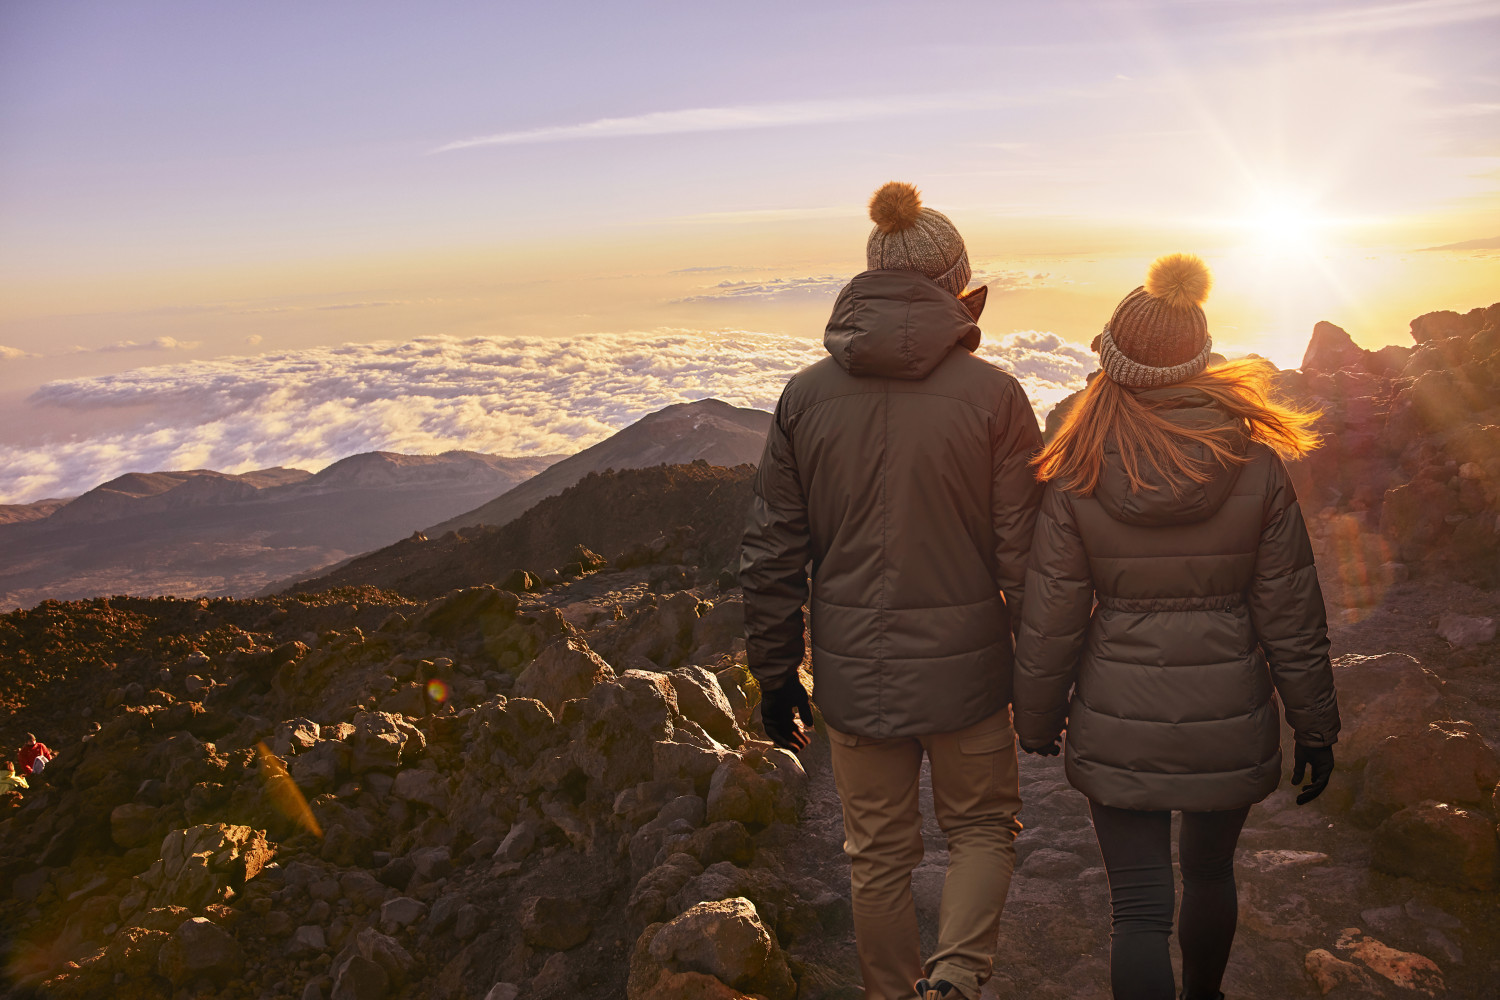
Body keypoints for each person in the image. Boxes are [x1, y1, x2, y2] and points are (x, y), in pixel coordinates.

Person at [741, 181, 1043, 1000]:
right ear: (957, 286)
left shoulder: (805, 397)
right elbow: (1026, 557)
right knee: (982, 828)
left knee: (875, 855)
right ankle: (954, 979)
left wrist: (775, 674)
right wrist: (1048, 676)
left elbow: (772, 550)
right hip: (971, 678)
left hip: (853, 676)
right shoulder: (997, 398)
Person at [1013, 253, 1340, 1000]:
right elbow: (1292, 612)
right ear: (1200, 359)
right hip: (1227, 712)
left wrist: (1036, 721)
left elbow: (1052, 616)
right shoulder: (1254, 465)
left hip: (1117, 716)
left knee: (1138, 908)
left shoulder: (1079, 470)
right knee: (1210, 874)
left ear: (1113, 362)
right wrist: (1316, 727)